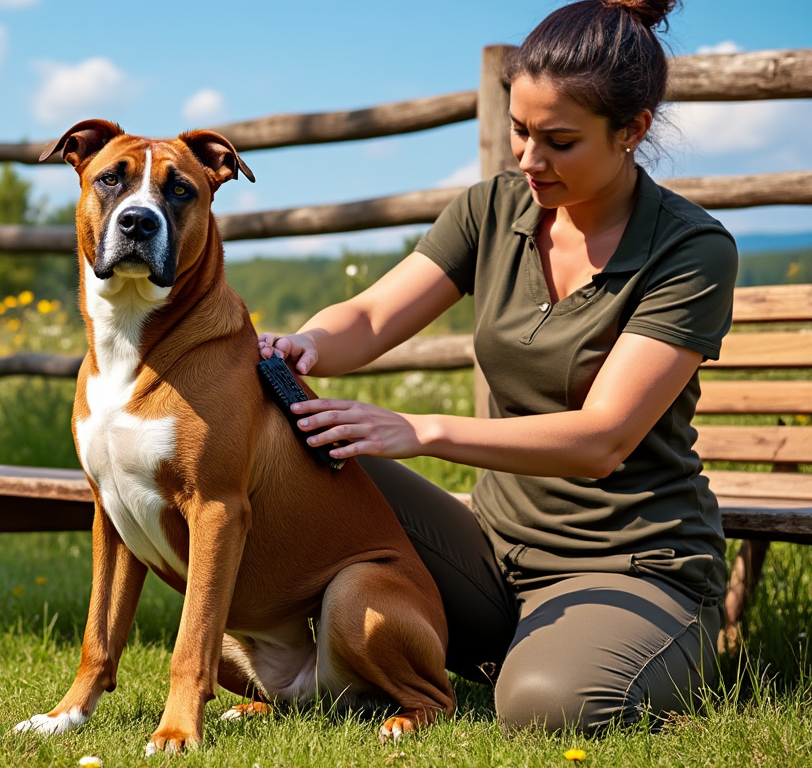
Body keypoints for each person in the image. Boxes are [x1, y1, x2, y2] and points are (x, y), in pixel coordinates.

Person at [257, 0, 737, 734]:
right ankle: (319, 655)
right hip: (489, 557)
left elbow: (602, 438)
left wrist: (422, 430)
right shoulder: (494, 210)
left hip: (632, 563)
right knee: (303, 448)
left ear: (632, 130)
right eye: (519, 130)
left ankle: (617, 649)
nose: (528, 159)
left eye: (559, 141)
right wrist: (310, 343)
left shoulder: (690, 251)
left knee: (546, 706)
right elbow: (375, 316)